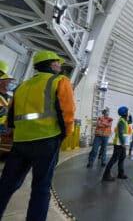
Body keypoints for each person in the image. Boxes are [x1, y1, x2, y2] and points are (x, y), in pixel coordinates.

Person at [0, 50, 75, 221]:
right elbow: (67, 112)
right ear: (52, 64)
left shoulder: (22, 86)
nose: (59, 65)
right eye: (58, 62)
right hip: (47, 141)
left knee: (6, 184)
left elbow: (11, 117)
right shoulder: (60, 81)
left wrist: (13, 135)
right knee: (41, 188)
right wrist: (65, 134)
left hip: (20, 142)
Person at [102, 106, 130, 181]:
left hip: (121, 143)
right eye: (127, 112)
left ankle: (121, 174)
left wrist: (130, 117)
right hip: (119, 144)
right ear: (124, 113)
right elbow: (120, 133)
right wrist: (123, 143)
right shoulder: (121, 122)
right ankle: (106, 175)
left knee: (122, 158)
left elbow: (130, 122)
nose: (128, 113)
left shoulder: (124, 120)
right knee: (114, 159)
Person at [0, 67, 17, 157]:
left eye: (12, 81)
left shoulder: (8, 96)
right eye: (9, 81)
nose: (12, 83)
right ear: (2, 81)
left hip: (4, 126)